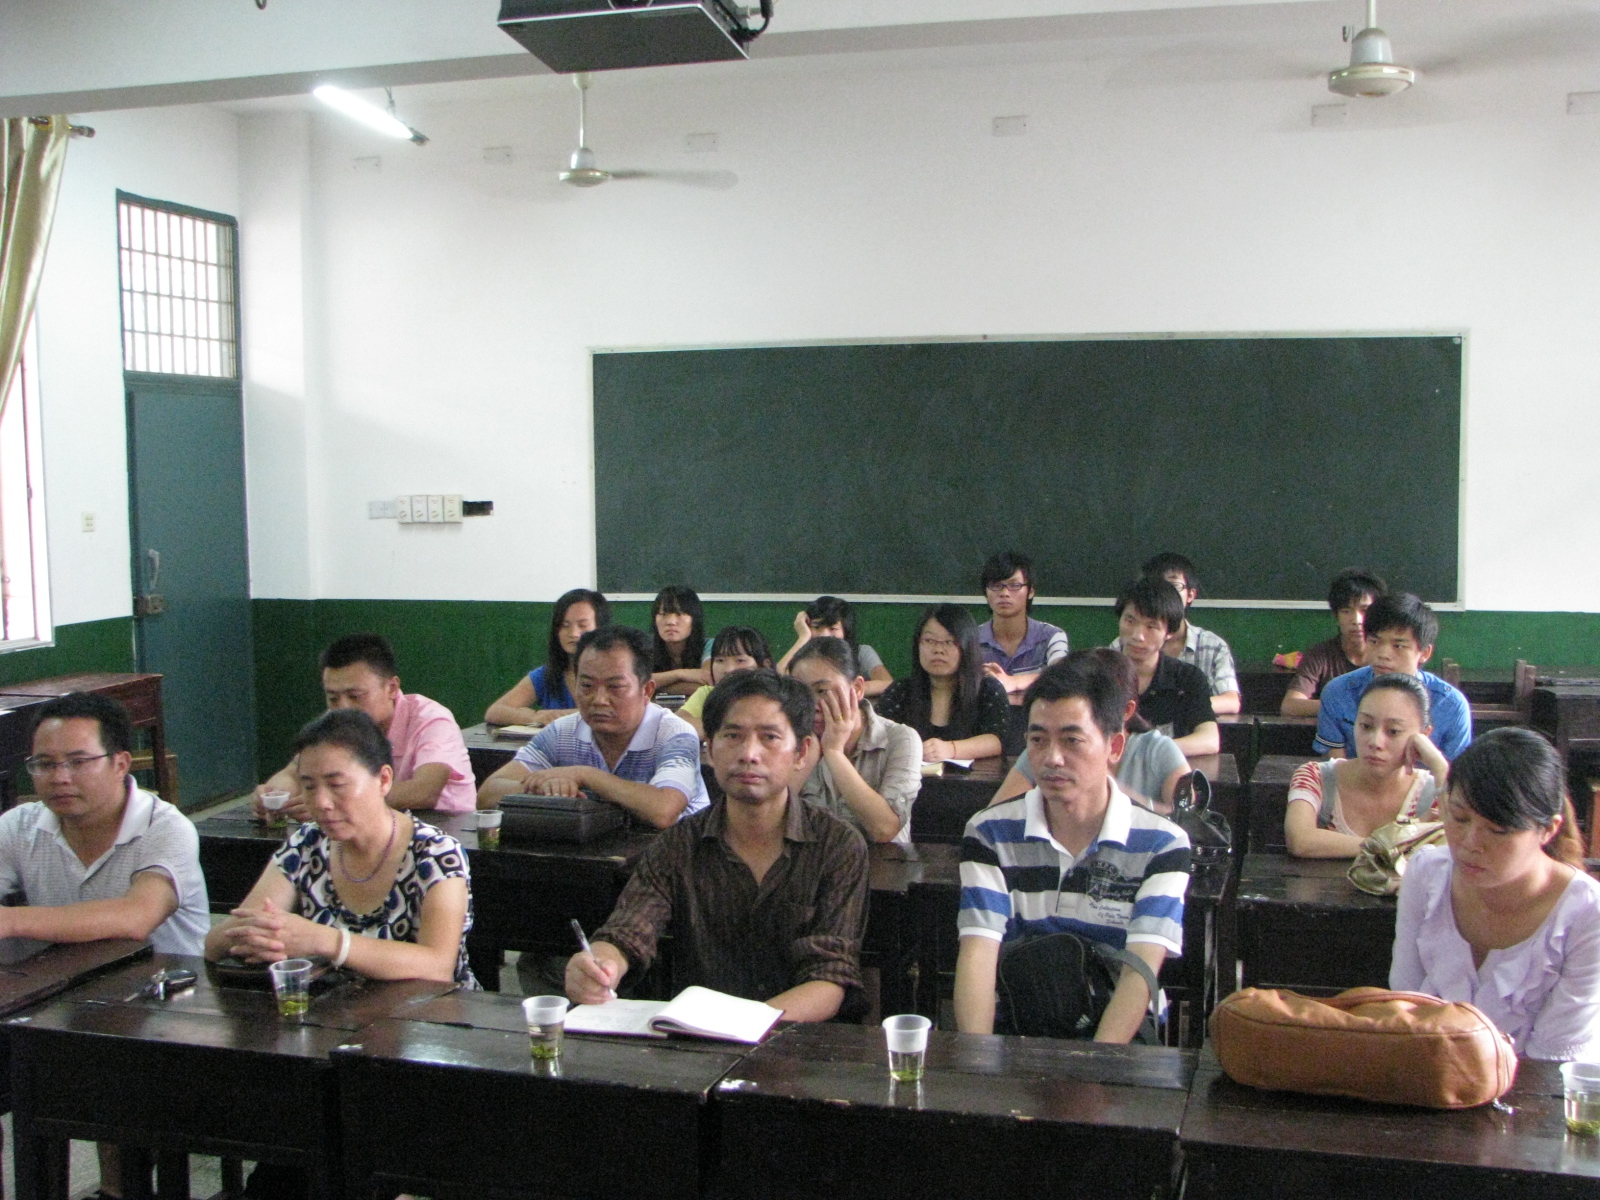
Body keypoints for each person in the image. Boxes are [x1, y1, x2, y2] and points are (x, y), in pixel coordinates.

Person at [565, 670, 869, 1022]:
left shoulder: (837, 846)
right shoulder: (678, 844)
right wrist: (601, 964)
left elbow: (830, 978)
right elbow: (629, 930)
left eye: (769, 737)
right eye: (733, 736)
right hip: (695, 1040)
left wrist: (739, 1024)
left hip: (799, 1043)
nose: (749, 753)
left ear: (801, 752)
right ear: (709, 749)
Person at [954, 662, 1191, 1043]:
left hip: (1118, 1040)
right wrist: (978, 1061)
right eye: (1038, 740)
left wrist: (1091, 1069)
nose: (1052, 758)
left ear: (1114, 746)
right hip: (1018, 1027)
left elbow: (1138, 976)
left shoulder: (1163, 845)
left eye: (1071, 740)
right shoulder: (989, 834)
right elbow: (978, 956)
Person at [207, 709, 475, 986]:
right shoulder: (307, 843)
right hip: (331, 1007)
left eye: (337, 785)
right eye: (309, 787)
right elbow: (217, 944)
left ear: (384, 779)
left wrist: (326, 941)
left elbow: (438, 967)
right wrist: (258, 935)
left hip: (430, 1011)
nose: (321, 802)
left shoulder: (435, 854)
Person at [1391, 727, 1600, 1061]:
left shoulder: (1587, 913)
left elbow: (1554, 1056)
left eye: (1498, 830)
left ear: (1548, 829)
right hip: (1432, 1072)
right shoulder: (1427, 873)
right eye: (1459, 818)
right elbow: (1405, 1005)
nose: (1470, 843)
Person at [0, 692, 208, 956]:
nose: (60, 777)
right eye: (45, 764)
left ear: (120, 764)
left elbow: (137, 916)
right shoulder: (17, 827)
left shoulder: (165, 828)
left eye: (78, 762)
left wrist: (11, 920)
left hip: (163, 979)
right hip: (60, 979)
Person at [476, 624, 709, 824]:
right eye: (587, 686)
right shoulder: (562, 731)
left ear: (647, 690)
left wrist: (585, 776)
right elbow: (487, 795)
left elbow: (664, 810)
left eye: (615, 687)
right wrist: (544, 787)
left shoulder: (674, 734)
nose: (599, 700)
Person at [255, 633, 476, 816]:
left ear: (391, 688)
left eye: (355, 696)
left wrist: (338, 801)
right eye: (333, 698)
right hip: (368, 829)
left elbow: (424, 791)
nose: (343, 708)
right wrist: (274, 795)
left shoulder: (432, 721)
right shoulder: (335, 723)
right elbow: (293, 772)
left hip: (442, 833)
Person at [992, 650, 1191, 811]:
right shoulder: (1045, 747)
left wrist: (1113, 793)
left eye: (1072, 740)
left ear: (1126, 710)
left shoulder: (1157, 750)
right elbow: (995, 815)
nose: (1054, 759)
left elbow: (1190, 821)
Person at [1285, 673, 1448, 858]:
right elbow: (1300, 841)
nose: (1375, 742)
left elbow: (1450, 850)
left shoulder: (1435, 792)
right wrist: (1397, 844)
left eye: (1393, 731)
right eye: (1366, 726)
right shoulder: (1316, 777)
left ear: (1423, 736)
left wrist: (1440, 767)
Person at [790, 637, 921, 844]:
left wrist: (834, 752)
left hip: (883, 862)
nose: (811, 705)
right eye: (801, 693)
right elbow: (767, 823)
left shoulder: (900, 739)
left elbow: (884, 829)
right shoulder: (795, 741)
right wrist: (805, 761)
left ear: (858, 688)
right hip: (815, 861)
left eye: (822, 691)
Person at [1314, 592, 1472, 761]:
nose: (1383, 654)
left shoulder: (1451, 705)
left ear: (1424, 653)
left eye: (1398, 646)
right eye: (1374, 642)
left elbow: (1455, 773)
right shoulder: (1338, 692)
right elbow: (1336, 766)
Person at [876, 604, 1010, 762]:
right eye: (929, 640)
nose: (938, 649)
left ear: (967, 646)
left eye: (949, 642)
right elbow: (876, 736)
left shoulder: (988, 689)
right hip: (909, 776)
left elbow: (996, 741)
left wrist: (950, 749)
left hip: (974, 777)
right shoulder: (900, 691)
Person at [1112, 576, 1219, 757]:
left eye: (1151, 626)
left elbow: (1210, 740)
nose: (1138, 635)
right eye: (1130, 621)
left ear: (1169, 632)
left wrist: (1148, 751)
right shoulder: (1096, 674)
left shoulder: (1187, 678)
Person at [484, 588, 610, 728]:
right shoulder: (547, 675)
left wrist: (564, 716)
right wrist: (535, 716)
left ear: (600, 628)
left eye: (582, 625)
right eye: (565, 625)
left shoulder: (616, 673)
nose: (573, 633)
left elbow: (618, 713)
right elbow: (494, 711)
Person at [1135, 552, 1241, 715]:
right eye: (1158, 586)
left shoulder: (1212, 646)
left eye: (1174, 585)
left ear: (1191, 594)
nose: (1165, 594)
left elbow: (1231, 701)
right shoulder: (1127, 644)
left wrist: (1176, 708)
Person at [1281, 569, 1386, 717]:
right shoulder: (1320, 655)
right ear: (1336, 616)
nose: (1357, 620)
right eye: (1346, 611)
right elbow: (1290, 706)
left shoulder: (1389, 655)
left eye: (1365, 610)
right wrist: (1348, 706)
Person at [977, 551, 1069, 704]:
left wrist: (1012, 682)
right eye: (996, 586)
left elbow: (1061, 675)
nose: (1004, 593)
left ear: (1030, 591)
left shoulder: (1051, 637)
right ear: (985, 592)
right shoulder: (971, 639)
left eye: (1014, 585)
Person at [775, 595, 894, 697]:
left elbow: (888, 684)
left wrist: (847, 689)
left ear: (845, 631)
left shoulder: (861, 652)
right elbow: (775, 683)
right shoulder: (802, 656)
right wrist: (803, 638)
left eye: (832, 628)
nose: (824, 635)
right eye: (816, 627)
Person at [678, 625, 774, 740]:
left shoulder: (775, 698)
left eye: (740, 660)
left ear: (764, 666)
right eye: (720, 660)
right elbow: (678, 723)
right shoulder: (708, 693)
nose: (728, 669)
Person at [649, 585, 710, 695]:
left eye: (680, 614)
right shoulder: (644, 646)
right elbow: (635, 682)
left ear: (695, 619)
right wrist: (681, 674)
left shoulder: (710, 646)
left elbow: (707, 683)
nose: (671, 622)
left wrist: (654, 687)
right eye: (663, 614)